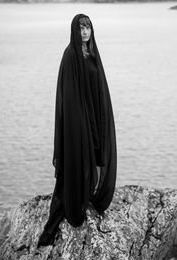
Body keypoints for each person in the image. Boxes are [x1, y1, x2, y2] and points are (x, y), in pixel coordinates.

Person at [37, 13, 117, 247]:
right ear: (74, 30)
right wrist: (81, 120)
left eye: (88, 28)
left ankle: (89, 196)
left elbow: (99, 88)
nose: (84, 32)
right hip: (78, 121)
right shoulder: (70, 55)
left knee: (96, 159)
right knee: (80, 161)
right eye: (81, 28)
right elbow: (68, 96)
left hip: (94, 118)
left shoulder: (93, 53)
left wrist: (101, 118)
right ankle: (76, 201)